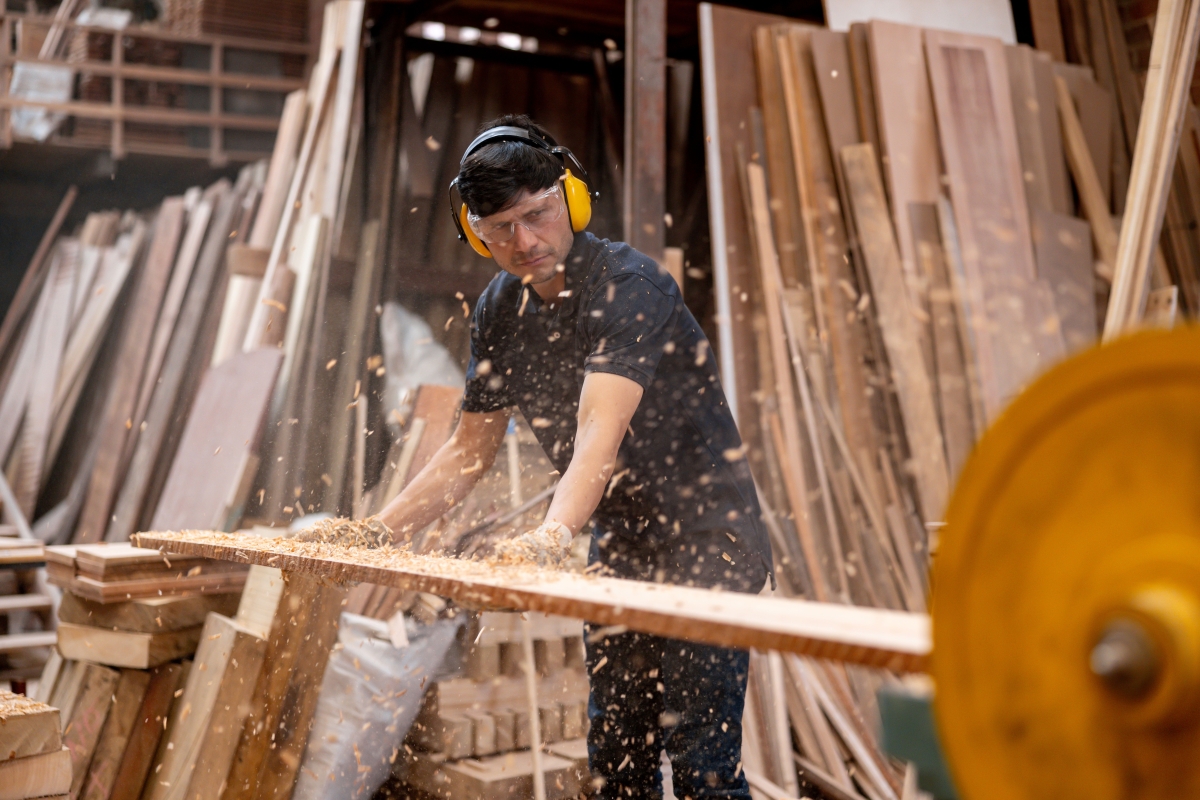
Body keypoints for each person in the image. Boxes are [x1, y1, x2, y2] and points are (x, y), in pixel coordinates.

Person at [378, 114, 773, 799]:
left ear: (571, 198)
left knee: (705, 765)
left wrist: (551, 538)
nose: (524, 242)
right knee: (618, 756)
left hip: (709, 535)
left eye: (537, 215)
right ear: (477, 232)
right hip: (624, 536)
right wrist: (377, 532)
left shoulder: (629, 286)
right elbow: (469, 451)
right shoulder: (500, 310)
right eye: (501, 228)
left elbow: (600, 427)